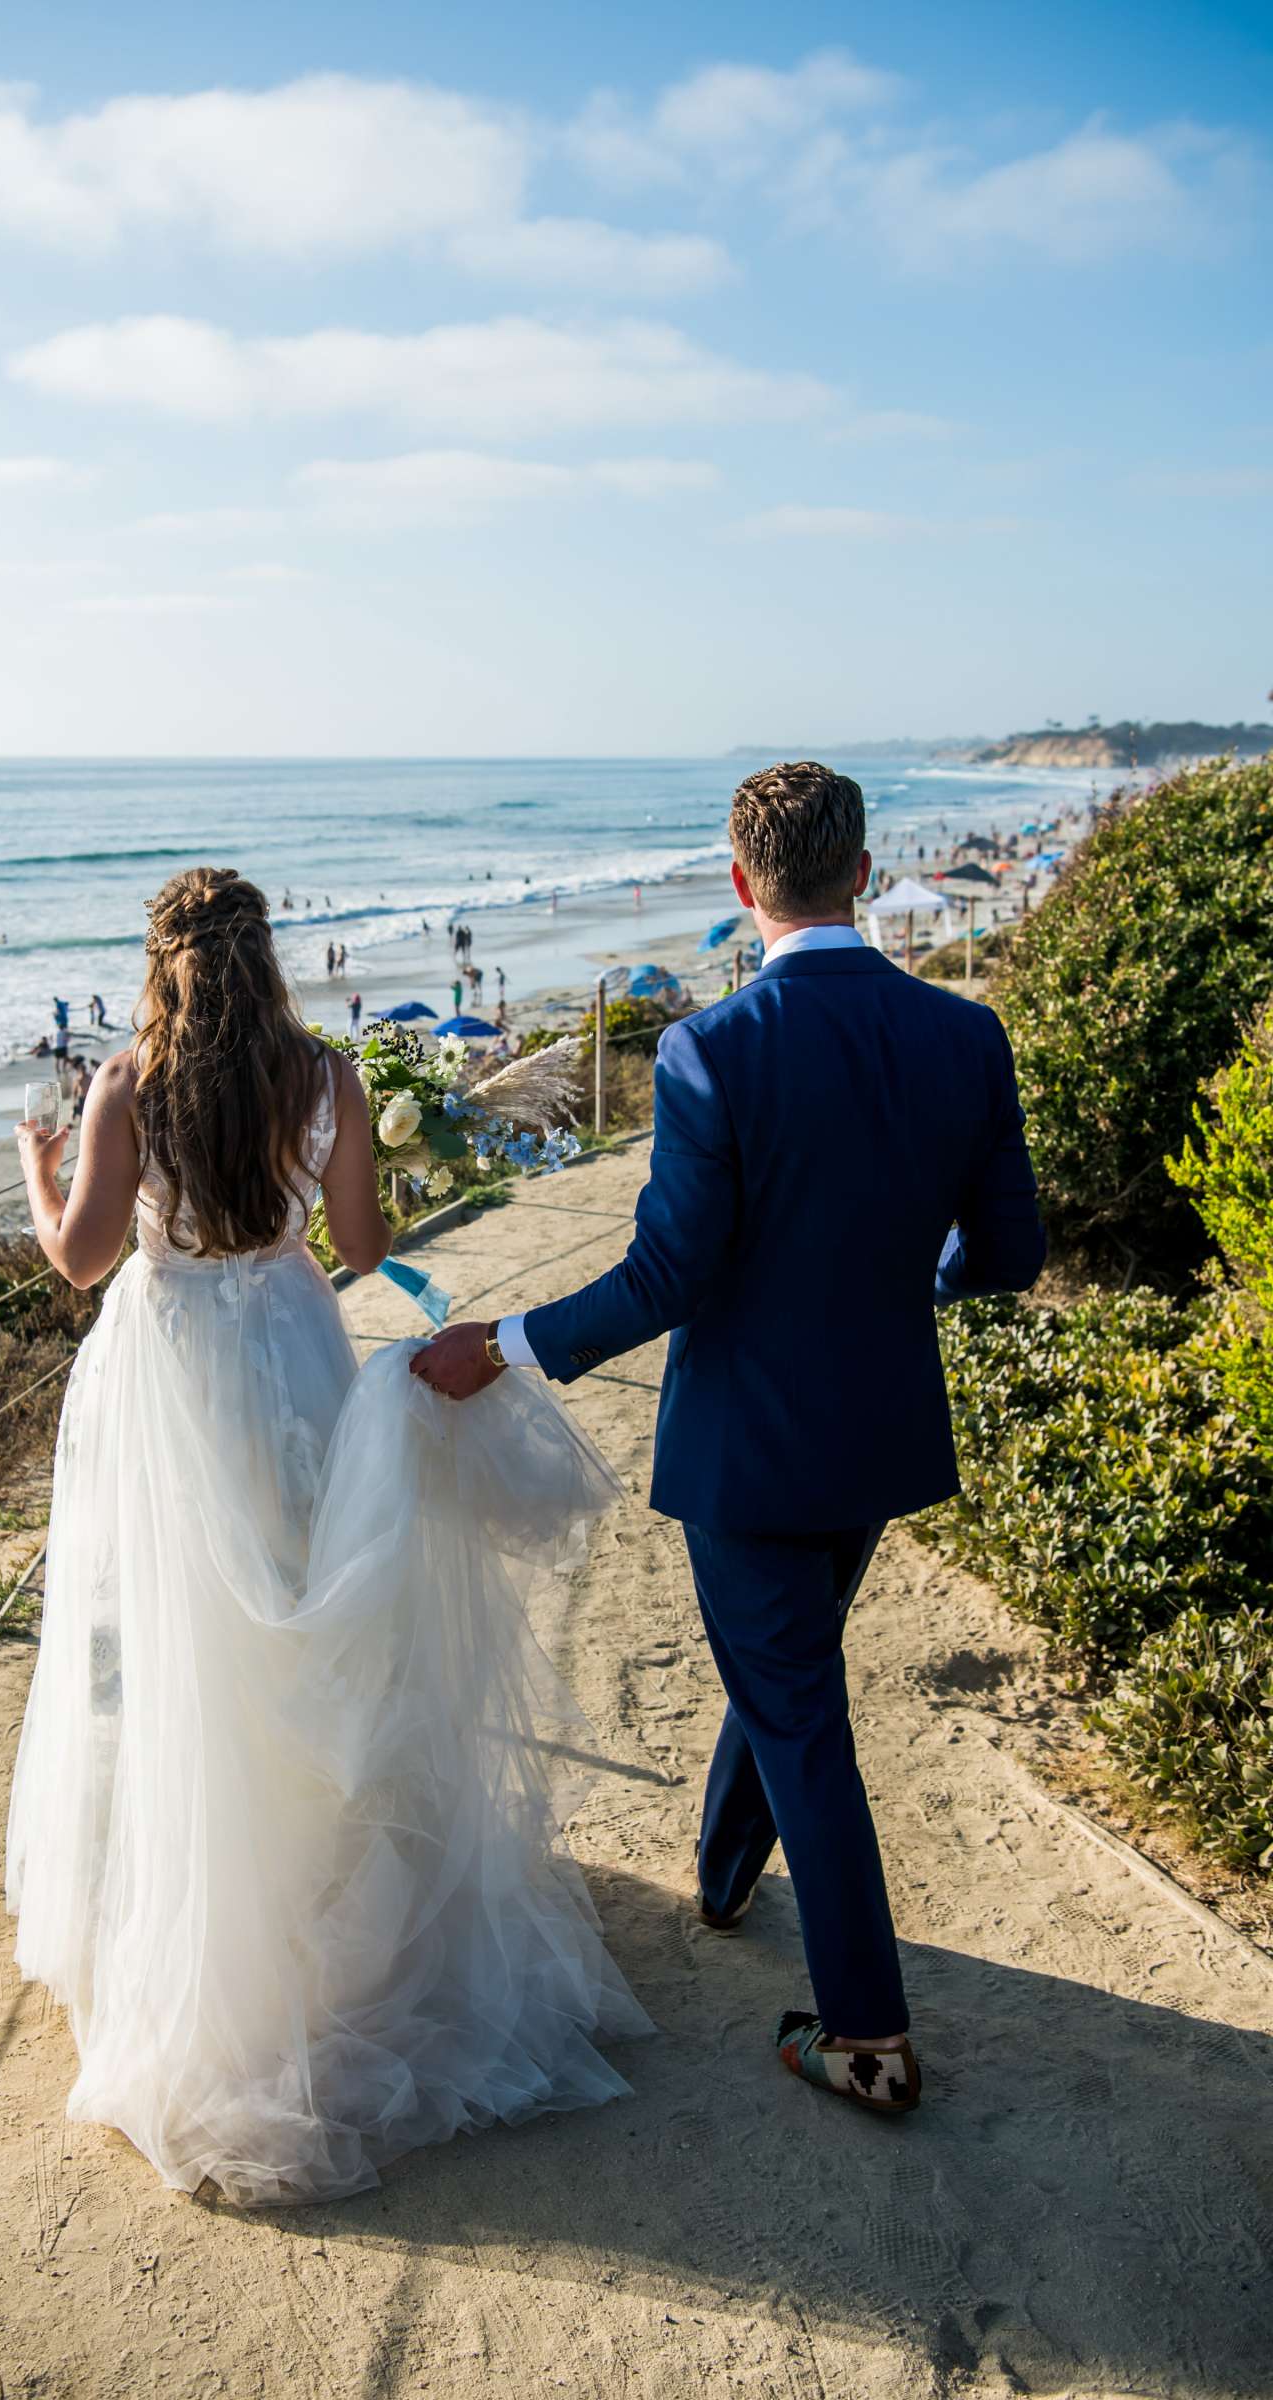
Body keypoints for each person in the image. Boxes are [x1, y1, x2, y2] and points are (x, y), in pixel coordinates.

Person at [412, 760, 1045, 2119]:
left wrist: (506, 1347)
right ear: (864, 875)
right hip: (872, 1436)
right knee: (790, 1673)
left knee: (801, 1717)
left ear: (743, 881)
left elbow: (667, 1277)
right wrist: (896, 1287)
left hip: (754, 1454)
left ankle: (868, 2035)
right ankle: (718, 1875)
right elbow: (1007, 1254)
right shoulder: (965, 1036)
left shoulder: (712, 1051)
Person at [7, 866, 647, 2204]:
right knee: (303, 1622)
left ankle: (197, 1903)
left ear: (164, 961)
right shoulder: (328, 1077)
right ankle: (324, 1894)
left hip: (171, 1370)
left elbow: (76, 1263)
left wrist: (37, 1166)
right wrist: (324, 1186)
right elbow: (360, 1248)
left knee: (179, 1641)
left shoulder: (129, 1082)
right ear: (265, 956)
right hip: (292, 1350)